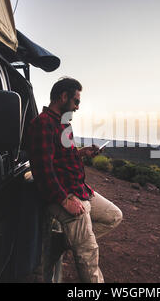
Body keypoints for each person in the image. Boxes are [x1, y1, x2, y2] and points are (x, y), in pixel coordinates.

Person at [27, 77, 123, 283]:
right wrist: (64, 201)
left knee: (114, 216)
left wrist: (81, 152)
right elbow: (43, 170)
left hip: (79, 189)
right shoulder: (43, 124)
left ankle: (59, 243)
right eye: (76, 101)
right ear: (63, 97)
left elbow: (60, 156)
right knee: (88, 253)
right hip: (63, 194)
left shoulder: (63, 124)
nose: (78, 107)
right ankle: (77, 246)